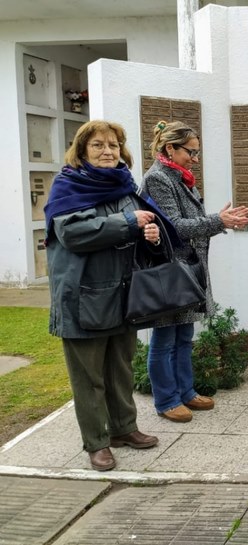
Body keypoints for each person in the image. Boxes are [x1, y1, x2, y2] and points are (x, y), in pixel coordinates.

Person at [45, 120, 166, 471]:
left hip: (122, 295)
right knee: (90, 378)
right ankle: (97, 442)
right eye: (98, 145)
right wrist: (130, 222)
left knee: (120, 369)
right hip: (83, 298)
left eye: (113, 145)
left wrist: (150, 233)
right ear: (82, 150)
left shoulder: (123, 186)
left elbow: (135, 226)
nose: (107, 151)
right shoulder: (68, 186)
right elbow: (74, 234)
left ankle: (124, 429)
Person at [142, 120, 248, 423]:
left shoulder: (182, 177)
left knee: (184, 334)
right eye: (191, 152)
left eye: (197, 152)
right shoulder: (159, 179)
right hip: (168, 271)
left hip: (188, 269)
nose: (195, 159)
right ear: (170, 148)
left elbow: (193, 226)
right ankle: (166, 400)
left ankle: (186, 392)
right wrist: (219, 220)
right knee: (164, 339)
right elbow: (174, 226)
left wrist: (222, 222)